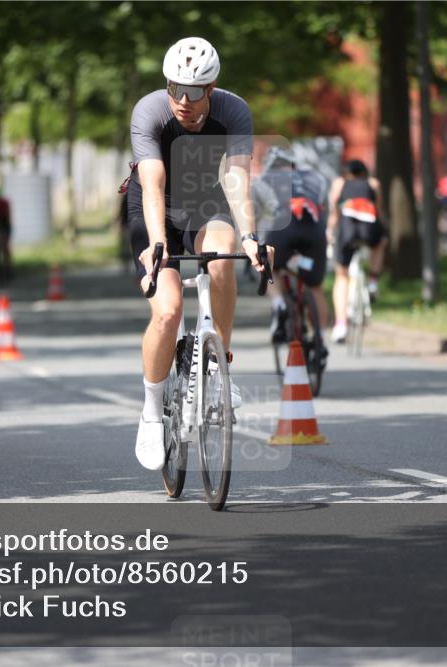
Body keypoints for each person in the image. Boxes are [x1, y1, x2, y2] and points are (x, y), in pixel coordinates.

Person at [128, 36, 268, 470]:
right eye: (175, 88)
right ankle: (152, 411)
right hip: (153, 207)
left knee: (223, 255)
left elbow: (238, 180)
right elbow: (153, 186)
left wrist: (250, 236)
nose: (182, 101)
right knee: (168, 310)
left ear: (211, 88)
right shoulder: (150, 111)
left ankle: (217, 367)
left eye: (192, 91)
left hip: (203, 201)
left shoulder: (233, 111)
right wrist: (158, 246)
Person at [252, 146, 329, 345]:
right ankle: (320, 339)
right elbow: (324, 209)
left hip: (282, 227)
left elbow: (254, 216)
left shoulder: (262, 180)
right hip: (313, 229)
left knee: (269, 266)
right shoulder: (315, 178)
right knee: (315, 286)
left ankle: (279, 302)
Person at [327, 159, 385, 343]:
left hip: (347, 231)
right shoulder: (374, 183)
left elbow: (334, 211)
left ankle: (341, 324)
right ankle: (373, 281)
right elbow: (378, 210)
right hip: (369, 229)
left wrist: (330, 231)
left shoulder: (339, 183)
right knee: (380, 244)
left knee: (342, 275)